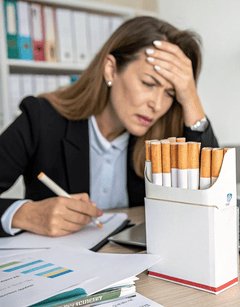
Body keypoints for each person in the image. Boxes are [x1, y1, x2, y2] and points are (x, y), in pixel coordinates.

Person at [0, 16, 218, 237]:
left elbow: (214, 200)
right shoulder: (41, 119)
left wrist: (191, 99)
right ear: (111, 70)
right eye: (149, 83)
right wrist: (24, 214)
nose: (157, 104)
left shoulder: (165, 137)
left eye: (171, 93)